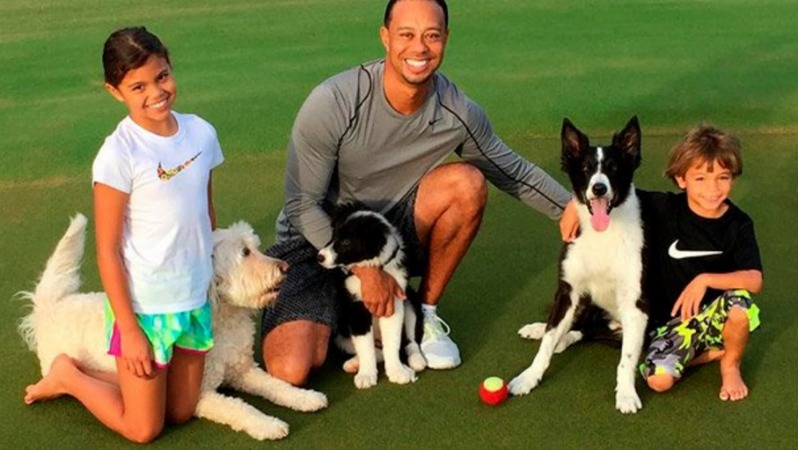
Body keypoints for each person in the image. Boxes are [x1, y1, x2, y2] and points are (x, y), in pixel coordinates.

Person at [261, 0, 578, 386]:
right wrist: (363, 270)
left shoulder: (457, 109)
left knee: (467, 183)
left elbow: (511, 170)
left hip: (386, 238)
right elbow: (301, 205)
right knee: (290, 369)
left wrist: (575, 207)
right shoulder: (334, 101)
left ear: (445, 39)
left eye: (432, 35)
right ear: (385, 38)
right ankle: (345, 310)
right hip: (313, 243)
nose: (419, 48)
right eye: (406, 35)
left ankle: (423, 315)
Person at [23, 27, 224, 443]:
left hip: (193, 299)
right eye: (138, 86)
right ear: (115, 91)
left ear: (170, 65)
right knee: (143, 428)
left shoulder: (201, 133)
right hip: (146, 310)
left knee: (182, 412)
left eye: (162, 76)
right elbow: (108, 251)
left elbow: (205, 212)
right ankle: (69, 377)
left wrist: (208, 279)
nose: (156, 92)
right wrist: (130, 331)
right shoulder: (119, 154)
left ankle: (107, 376)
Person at [638, 124, 763, 402]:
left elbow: (755, 280)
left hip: (713, 315)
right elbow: (615, 192)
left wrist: (704, 279)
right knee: (659, 381)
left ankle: (730, 364)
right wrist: (575, 204)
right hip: (671, 321)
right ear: (681, 179)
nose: (713, 189)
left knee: (740, 304)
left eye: (723, 177)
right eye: (701, 179)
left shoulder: (738, 224)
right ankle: (706, 352)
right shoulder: (664, 208)